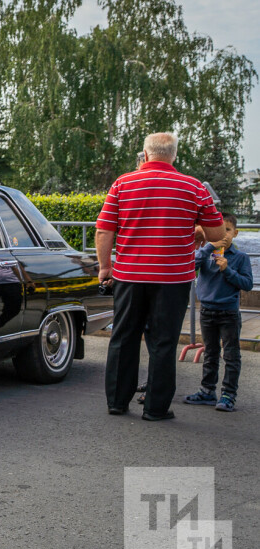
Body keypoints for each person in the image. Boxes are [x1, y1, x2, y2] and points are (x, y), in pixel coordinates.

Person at [97, 132, 225, 420]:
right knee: (164, 341)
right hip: (173, 279)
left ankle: (117, 402)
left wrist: (105, 268)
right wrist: (194, 230)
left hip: (129, 276)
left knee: (123, 336)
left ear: (145, 152)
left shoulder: (122, 183)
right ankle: (155, 409)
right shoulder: (193, 187)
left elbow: (104, 230)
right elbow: (217, 234)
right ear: (174, 155)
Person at [183, 213, 253, 412]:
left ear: (235, 233)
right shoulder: (206, 253)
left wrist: (228, 270)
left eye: (228, 230)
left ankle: (228, 394)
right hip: (207, 311)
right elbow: (190, 266)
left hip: (228, 313)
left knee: (231, 355)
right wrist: (208, 246)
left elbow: (247, 284)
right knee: (210, 353)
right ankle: (207, 391)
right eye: (219, 231)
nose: (223, 235)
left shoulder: (241, 258)